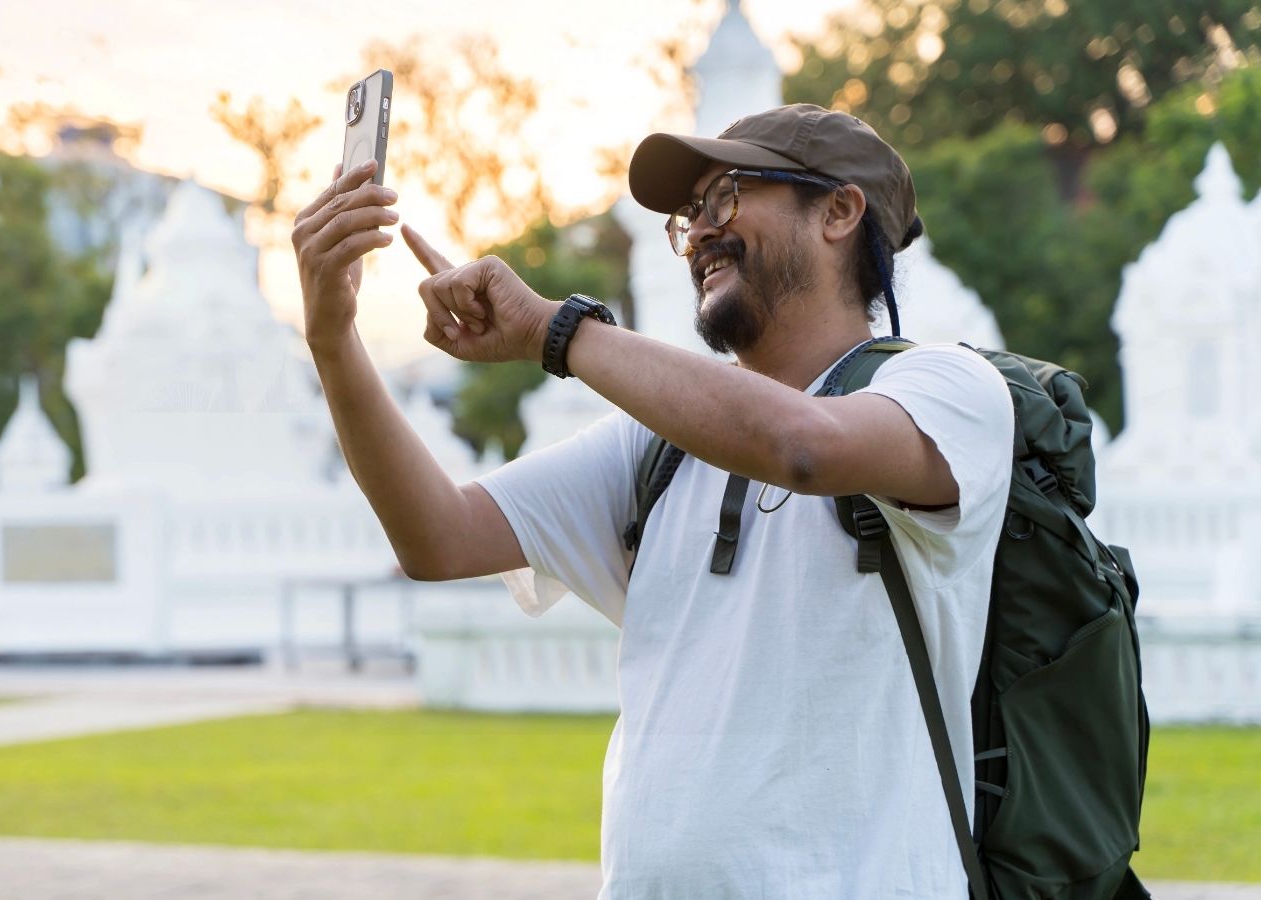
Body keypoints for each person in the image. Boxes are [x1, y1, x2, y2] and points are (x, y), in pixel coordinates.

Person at [293, 103, 1013, 898]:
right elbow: (438, 537)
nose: (698, 232)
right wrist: (333, 339)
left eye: (727, 197)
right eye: (689, 214)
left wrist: (556, 331)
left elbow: (806, 447)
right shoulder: (657, 444)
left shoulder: (948, 389)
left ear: (839, 211)